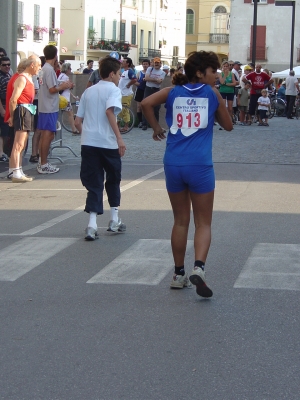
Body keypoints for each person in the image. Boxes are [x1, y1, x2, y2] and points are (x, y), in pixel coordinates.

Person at [141, 50, 233, 298]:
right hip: (200, 164)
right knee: (203, 222)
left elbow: (146, 103)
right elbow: (229, 125)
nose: (217, 76)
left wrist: (157, 127)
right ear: (201, 72)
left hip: (173, 163)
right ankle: (199, 268)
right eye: (214, 71)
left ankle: (178, 274)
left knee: (180, 221)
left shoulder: (173, 91)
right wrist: (217, 101)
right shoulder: (212, 93)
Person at [74, 56, 126, 241]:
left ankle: (92, 224)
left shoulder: (89, 91)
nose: (120, 77)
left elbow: (77, 121)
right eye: (119, 73)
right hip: (108, 143)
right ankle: (113, 219)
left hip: (89, 143)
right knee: (113, 179)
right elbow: (109, 111)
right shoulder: (114, 90)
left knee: (93, 182)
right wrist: (119, 137)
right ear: (111, 74)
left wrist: (86, 134)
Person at [37, 45, 74, 174]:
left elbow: (44, 85)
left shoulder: (43, 69)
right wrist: (62, 86)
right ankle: (43, 163)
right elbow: (52, 89)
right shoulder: (49, 70)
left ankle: (42, 161)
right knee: (48, 135)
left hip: (44, 105)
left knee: (45, 135)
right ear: (55, 55)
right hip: (49, 106)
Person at [5, 56, 41, 183]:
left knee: (23, 144)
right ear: (32, 65)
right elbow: (13, 99)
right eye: (38, 65)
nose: (39, 68)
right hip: (22, 110)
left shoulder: (28, 78)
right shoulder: (22, 78)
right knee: (18, 144)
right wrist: (12, 116)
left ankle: (18, 170)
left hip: (27, 110)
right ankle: (15, 172)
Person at [141, 57, 166, 130]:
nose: (156, 64)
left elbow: (159, 81)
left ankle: (155, 125)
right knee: (145, 105)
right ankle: (144, 124)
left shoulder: (163, 72)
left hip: (156, 90)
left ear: (160, 64)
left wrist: (149, 79)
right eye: (155, 63)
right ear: (153, 63)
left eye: (158, 63)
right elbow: (146, 78)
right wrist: (155, 80)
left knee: (156, 108)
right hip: (148, 89)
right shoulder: (150, 69)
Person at [57, 62, 79, 134]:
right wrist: (72, 85)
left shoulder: (60, 76)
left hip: (61, 97)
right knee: (70, 114)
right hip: (65, 99)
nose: (71, 70)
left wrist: (73, 96)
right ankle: (74, 129)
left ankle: (73, 129)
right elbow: (66, 86)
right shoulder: (65, 77)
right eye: (70, 68)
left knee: (69, 114)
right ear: (67, 69)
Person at [118, 57, 136, 133]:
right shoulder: (124, 72)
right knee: (121, 110)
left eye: (124, 61)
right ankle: (119, 125)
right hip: (122, 94)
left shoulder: (130, 71)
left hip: (126, 94)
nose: (122, 62)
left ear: (128, 63)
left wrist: (129, 84)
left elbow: (134, 79)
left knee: (125, 110)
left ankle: (126, 126)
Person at [0, 55, 12, 161]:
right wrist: (2, 109)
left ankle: (3, 152)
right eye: (4, 65)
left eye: (9, 64)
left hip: (7, 107)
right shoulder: (0, 76)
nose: (7, 66)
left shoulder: (7, 75)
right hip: (2, 107)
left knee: (5, 131)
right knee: (2, 132)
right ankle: (1, 153)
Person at [134, 59, 150, 128]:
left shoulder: (150, 73)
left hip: (147, 90)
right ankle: (140, 121)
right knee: (139, 107)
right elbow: (134, 81)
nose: (145, 65)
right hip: (140, 91)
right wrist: (138, 84)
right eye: (144, 64)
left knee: (145, 107)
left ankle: (146, 122)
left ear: (149, 65)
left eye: (146, 64)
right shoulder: (139, 73)